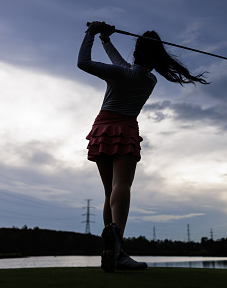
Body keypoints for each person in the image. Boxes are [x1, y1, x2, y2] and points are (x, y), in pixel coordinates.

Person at [77, 21, 209, 272]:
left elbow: (84, 63)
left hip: (102, 128)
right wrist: (106, 40)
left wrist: (92, 34)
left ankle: (111, 250)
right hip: (125, 129)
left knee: (109, 193)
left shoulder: (123, 74)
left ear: (136, 51)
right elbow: (123, 66)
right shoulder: (150, 80)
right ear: (156, 58)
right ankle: (117, 251)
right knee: (122, 186)